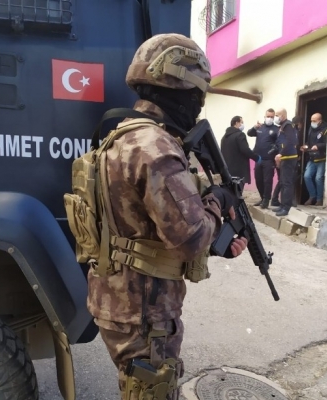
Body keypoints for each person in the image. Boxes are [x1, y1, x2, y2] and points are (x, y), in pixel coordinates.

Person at [87, 33, 249, 400]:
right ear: (181, 90)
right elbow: (191, 239)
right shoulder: (156, 147)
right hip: (145, 310)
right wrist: (217, 201)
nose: (198, 105)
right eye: (198, 95)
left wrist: (219, 240)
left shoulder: (121, 134)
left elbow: (144, 224)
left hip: (120, 299)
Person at [247, 108, 279, 208]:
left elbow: (279, 144)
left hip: (269, 159)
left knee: (267, 181)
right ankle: (262, 198)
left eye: (271, 117)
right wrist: (254, 127)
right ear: (264, 117)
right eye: (268, 116)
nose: (269, 118)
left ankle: (266, 200)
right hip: (258, 159)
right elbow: (249, 133)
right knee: (258, 180)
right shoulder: (260, 127)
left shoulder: (276, 129)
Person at [221, 116, 261, 193]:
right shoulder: (240, 135)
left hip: (227, 170)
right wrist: (256, 158)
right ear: (236, 123)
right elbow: (245, 150)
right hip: (239, 170)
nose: (243, 124)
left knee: (230, 192)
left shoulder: (224, 137)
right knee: (238, 192)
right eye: (242, 122)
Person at [270, 115, 303, 209]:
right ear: (299, 123)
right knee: (287, 181)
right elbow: (291, 144)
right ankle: (286, 203)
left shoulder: (284, 129)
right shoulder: (291, 130)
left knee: (283, 181)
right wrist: (281, 155)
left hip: (282, 157)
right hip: (285, 157)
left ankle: (278, 200)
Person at [302, 113, 327, 206]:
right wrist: (305, 146)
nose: (312, 122)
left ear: (320, 121)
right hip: (312, 157)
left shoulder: (325, 130)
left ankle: (319, 199)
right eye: (311, 121)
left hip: (321, 158)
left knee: (318, 178)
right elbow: (309, 142)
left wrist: (318, 146)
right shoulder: (311, 129)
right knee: (306, 176)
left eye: (314, 121)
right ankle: (312, 196)